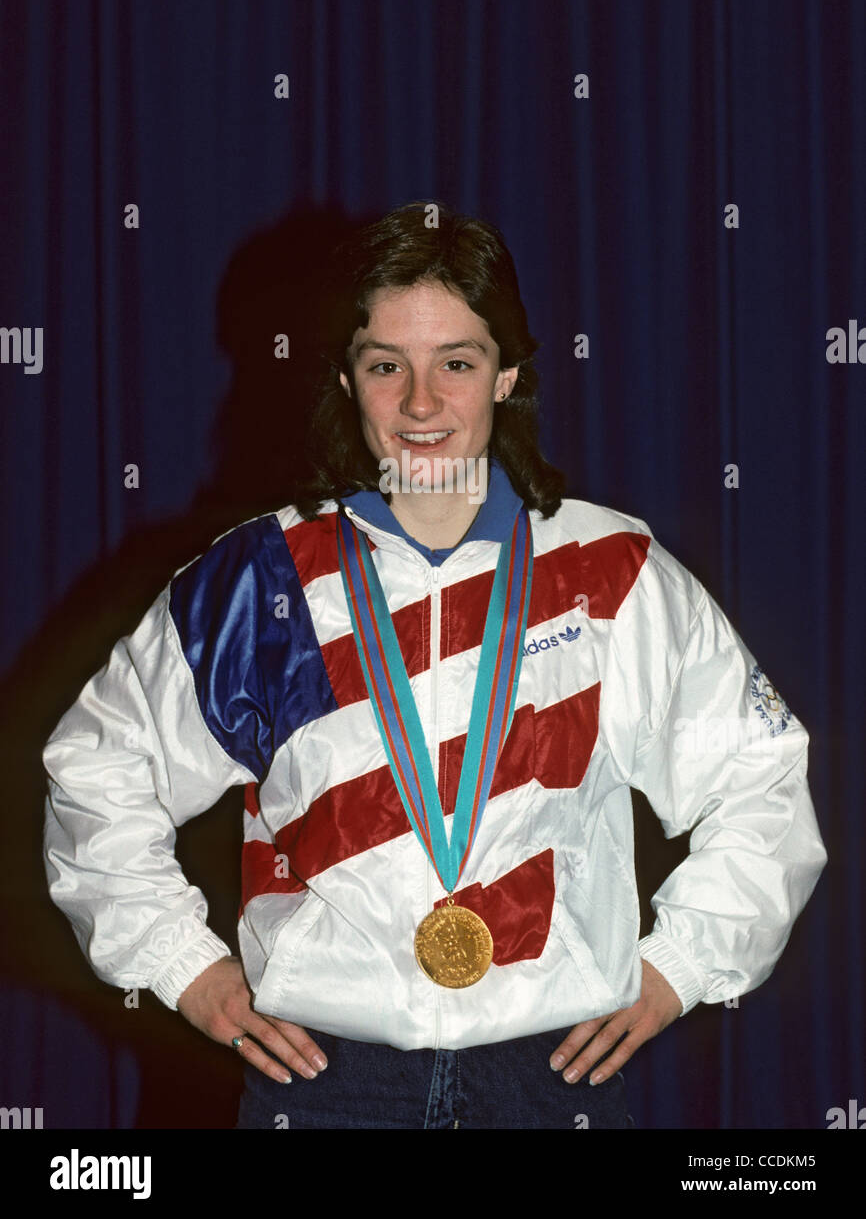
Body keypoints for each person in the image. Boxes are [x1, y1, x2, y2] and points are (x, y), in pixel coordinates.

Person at [42, 201, 827, 1130]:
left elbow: (762, 780)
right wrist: (183, 967)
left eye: (456, 362)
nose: (421, 404)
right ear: (345, 377)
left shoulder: (611, 573)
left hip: (552, 1082)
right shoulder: (261, 581)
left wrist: (683, 967)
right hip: (329, 1086)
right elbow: (98, 771)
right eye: (387, 366)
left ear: (507, 376)